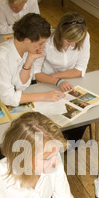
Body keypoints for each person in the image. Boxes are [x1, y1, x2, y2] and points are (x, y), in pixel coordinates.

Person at [0, 13, 65, 107]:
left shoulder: (28, 50)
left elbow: (21, 86)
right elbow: (7, 98)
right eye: (40, 43)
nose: (43, 47)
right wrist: (44, 96)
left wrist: (29, 60)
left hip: (10, 98)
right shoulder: (1, 56)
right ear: (26, 40)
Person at [34, 12, 91, 144]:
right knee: (49, 119)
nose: (72, 45)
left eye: (75, 42)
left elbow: (80, 69)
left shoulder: (83, 36)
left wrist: (57, 76)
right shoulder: (46, 42)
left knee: (81, 115)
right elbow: (36, 73)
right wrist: (56, 81)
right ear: (60, 33)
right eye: (68, 41)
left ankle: (68, 144)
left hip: (69, 81)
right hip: (47, 82)